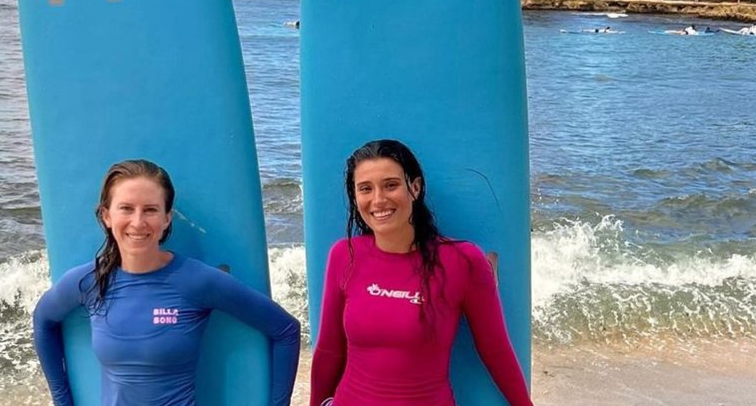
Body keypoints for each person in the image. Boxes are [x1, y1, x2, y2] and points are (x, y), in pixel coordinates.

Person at [33, 159, 300, 406]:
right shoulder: (88, 282)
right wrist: (62, 400)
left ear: (166, 218)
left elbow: (286, 330)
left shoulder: (197, 280)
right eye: (126, 208)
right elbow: (43, 321)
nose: (138, 222)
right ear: (106, 215)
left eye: (150, 210)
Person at [310, 140, 533, 406]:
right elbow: (329, 350)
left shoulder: (461, 261)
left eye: (391, 185)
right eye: (365, 189)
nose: (378, 200)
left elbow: (495, 350)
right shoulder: (344, 255)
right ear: (355, 197)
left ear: (414, 188)